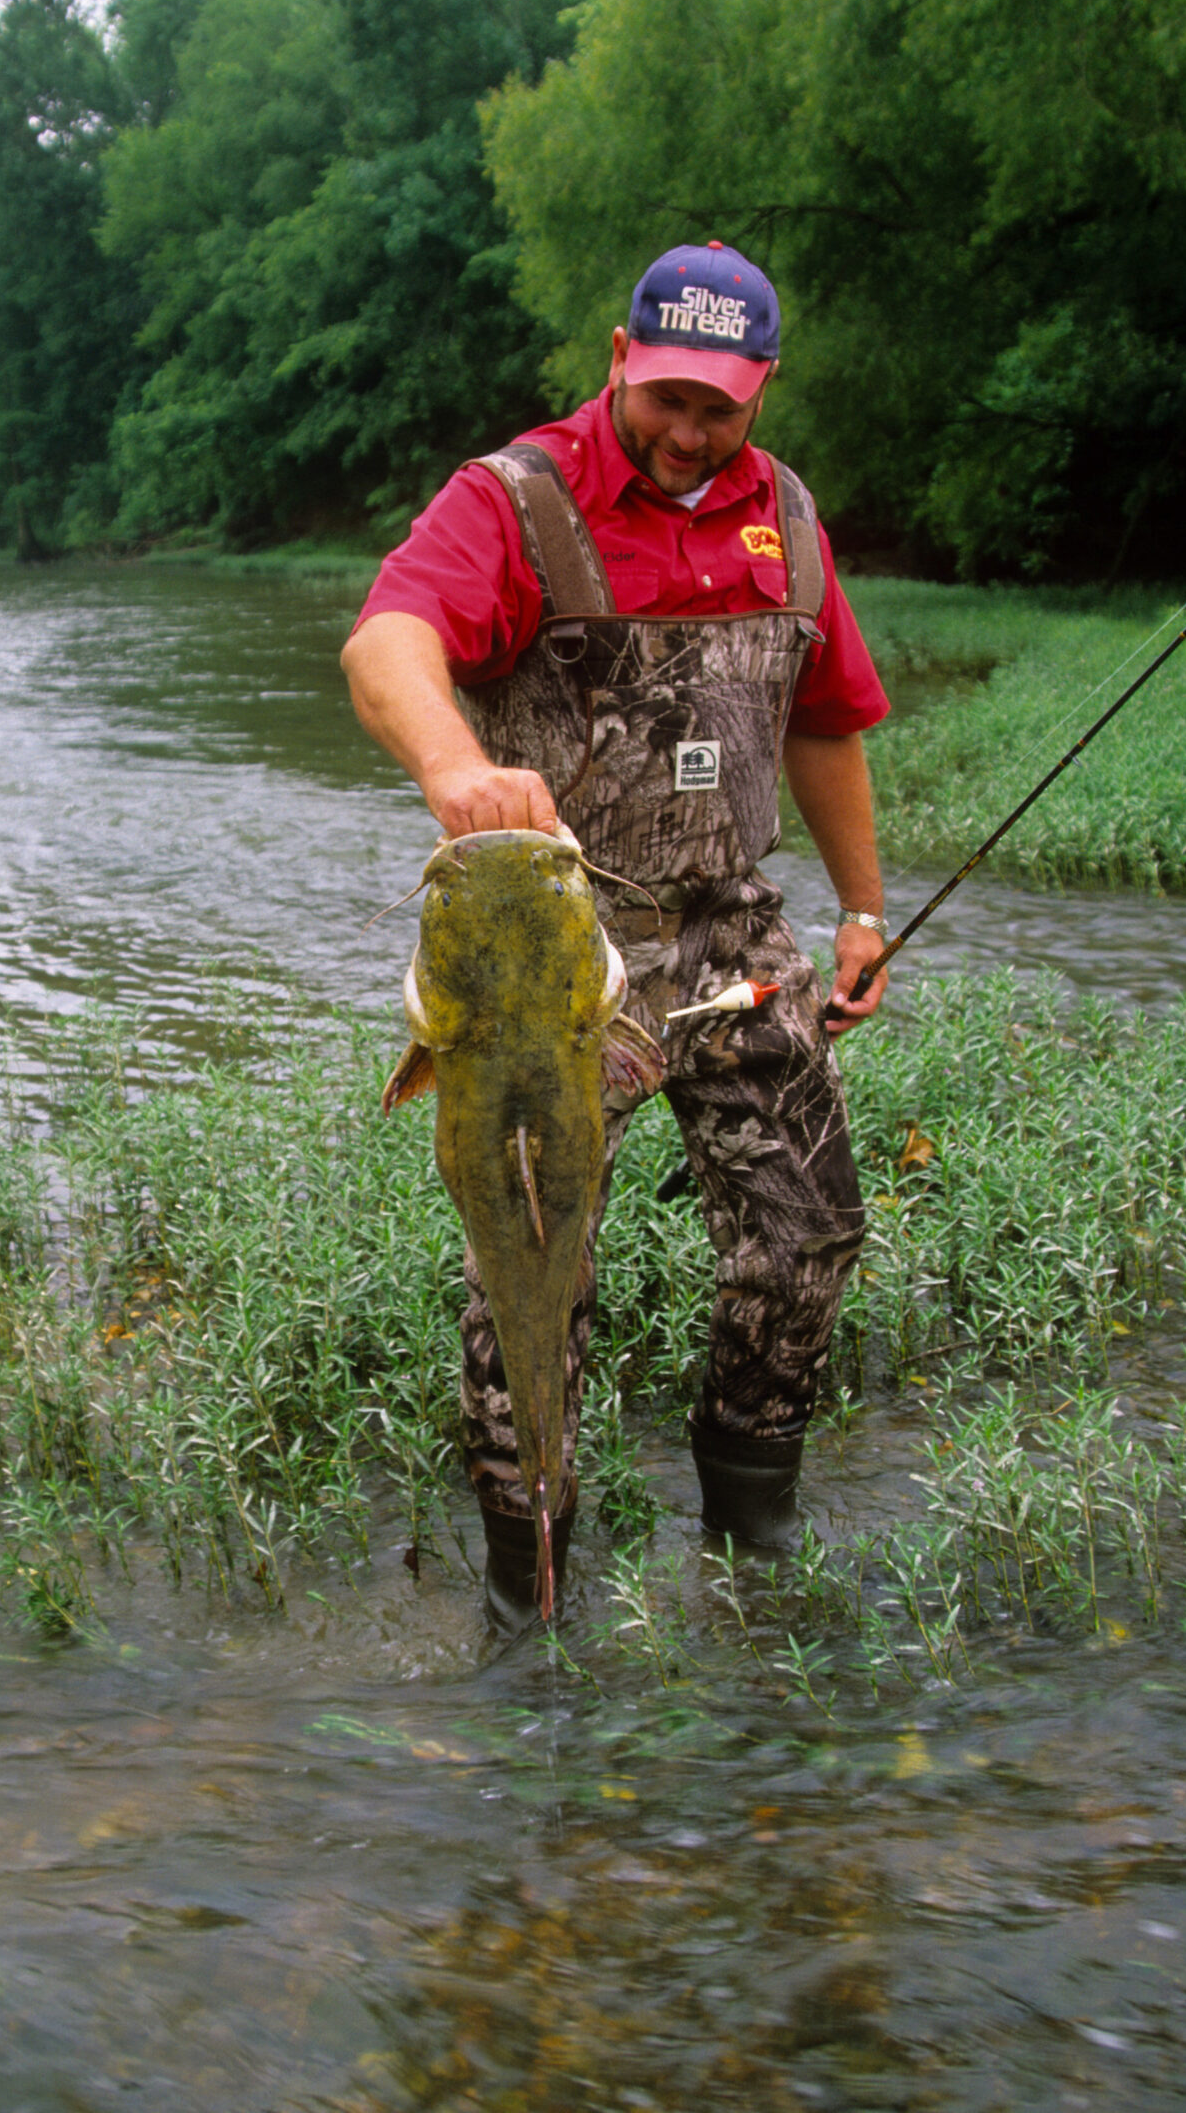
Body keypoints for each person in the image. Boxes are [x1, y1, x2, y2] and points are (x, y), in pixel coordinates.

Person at [341, 241, 891, 1627]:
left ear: (761, 391)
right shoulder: (518, 502)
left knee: (808, 1233)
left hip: (737, 937)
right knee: (532, 1267)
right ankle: (529, 1587)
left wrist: (865, 908)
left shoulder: (793, 520)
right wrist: (454, 770)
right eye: (665, 399)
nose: (689, 433)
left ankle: (750, 1533)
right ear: (616, 361)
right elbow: (386, 643)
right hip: (561, 948)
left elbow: (826, 721)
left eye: (720, 407)